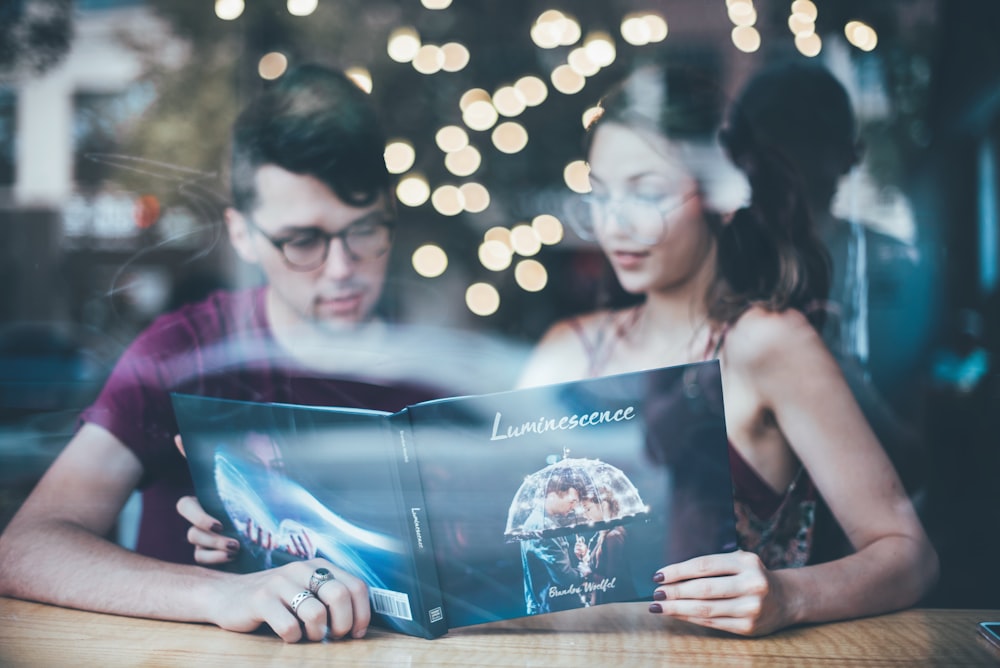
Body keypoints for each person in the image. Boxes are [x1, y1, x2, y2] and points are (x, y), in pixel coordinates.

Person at [0, 64, 441, 643]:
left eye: (364, 230)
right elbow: (24, 549)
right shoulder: (185, 355)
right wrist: (220, 593)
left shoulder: (430, 376)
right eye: (303, 240)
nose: (342, 270)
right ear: (240, 233)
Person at [519, 61, 938, 636]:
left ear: (717, 193)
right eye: (599, 194)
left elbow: (909, 553)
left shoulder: (767, 342)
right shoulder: (569, 349)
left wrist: (789, 595)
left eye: (648, 192)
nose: (615, 224)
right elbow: (500, 534)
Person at [725, 62, 940, 507]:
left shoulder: (895, 270)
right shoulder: (709, 265)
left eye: (801, 141)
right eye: (773, 142)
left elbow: (914, 457)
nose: (785, 161)